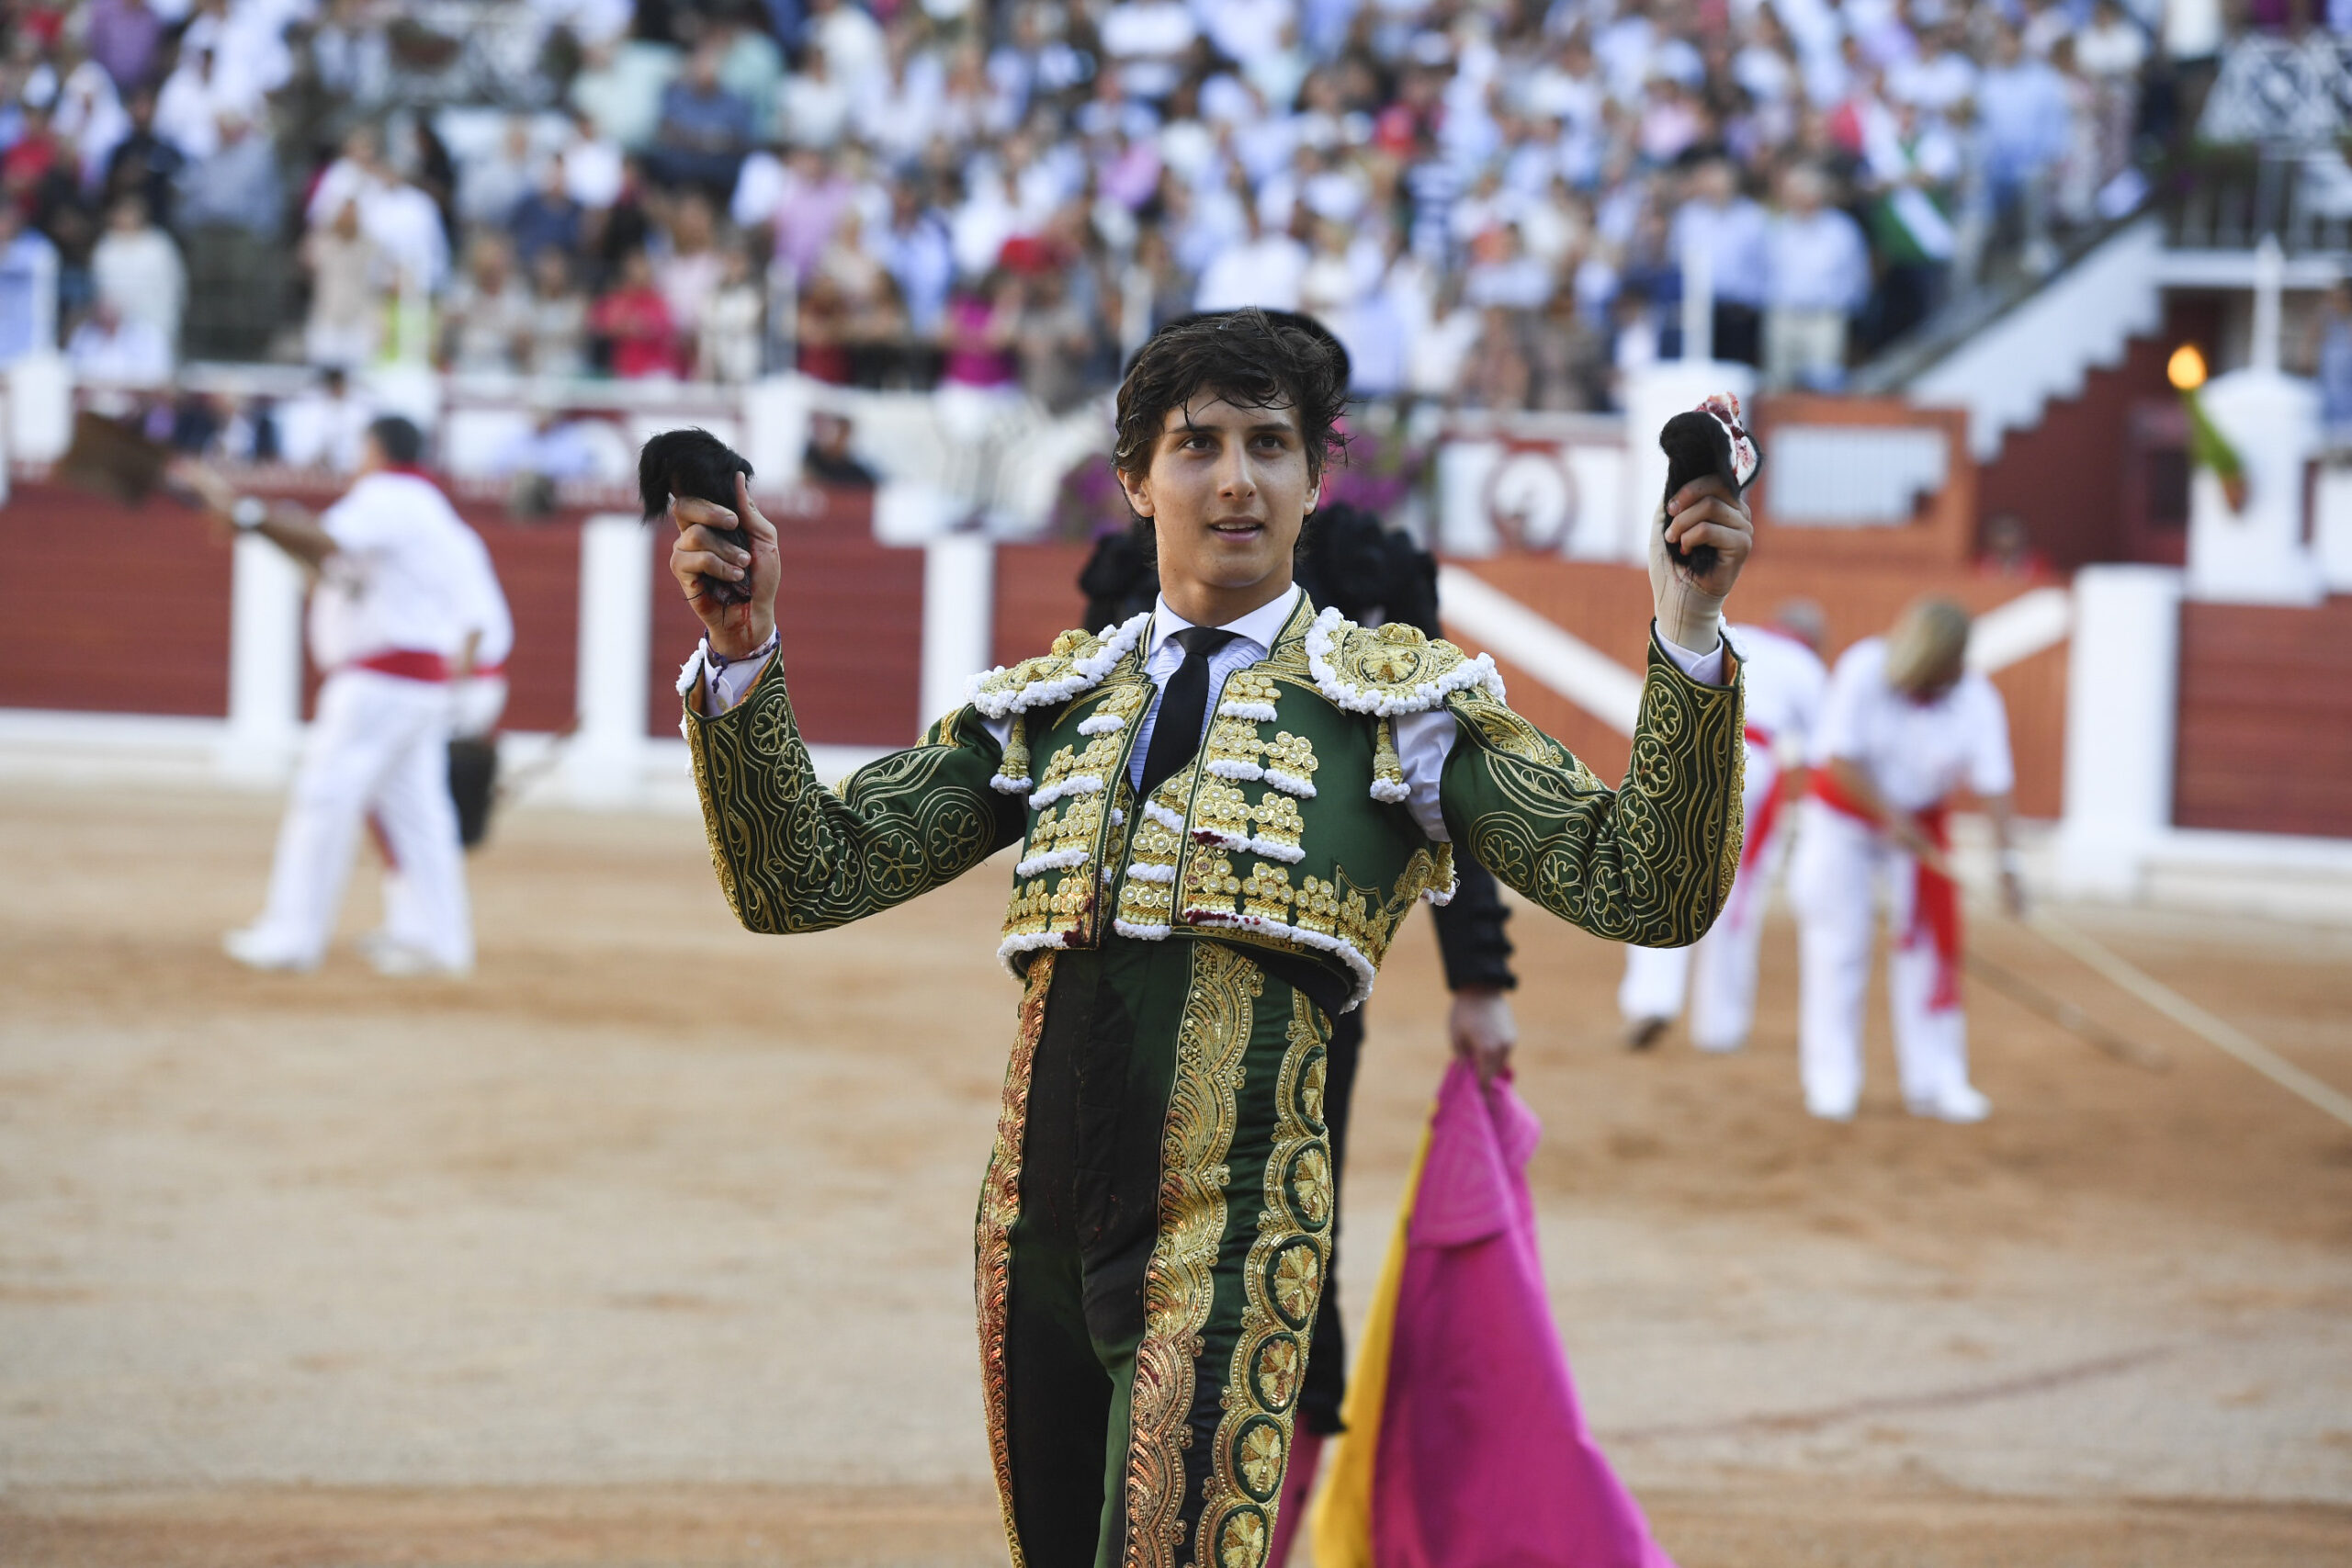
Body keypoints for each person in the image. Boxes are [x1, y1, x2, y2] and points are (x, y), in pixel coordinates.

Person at [664, 309, 1753, 1562]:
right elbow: (800, 876)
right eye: (1197, 444)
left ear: (1314, 478)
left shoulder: (1400, 709)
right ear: (1137, 477)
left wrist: (1688, 634)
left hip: (1233, 1237)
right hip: (1031, 1234)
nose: (1235, 476)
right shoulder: (1056, 703)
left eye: (1269, 443)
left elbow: (1646, 888)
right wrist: (741, 657)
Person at [175, 417, 486, 977]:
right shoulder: (427, 509)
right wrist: (251, 520)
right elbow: (326, 561)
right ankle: (443, 944)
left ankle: (293, 936)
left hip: (380, 684)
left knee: (325, 800)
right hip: (418, 684)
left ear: (375, 450)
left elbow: (325, 542)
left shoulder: (388, 496)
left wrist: (247, 515)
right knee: (421, 818)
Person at [1788, 598, 2023, 1124]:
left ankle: (1936, 1082)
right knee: (1839, 945)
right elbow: (1839, 762)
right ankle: (1832, 1081)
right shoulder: (1863, 669)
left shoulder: (1976, 698)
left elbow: (1994, 784)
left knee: (1927, 950)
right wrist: (1891, 819)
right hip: (1844, 820)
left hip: (1918, 830)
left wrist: (2010, 865)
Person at [1620, 601, 1829, 1053]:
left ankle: (1651, 998)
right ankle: (1720, 1025)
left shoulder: (1737, 632)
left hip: (1686, 754)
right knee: (1733, 892)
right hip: (1750, 763)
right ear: (1812, 640)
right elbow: (1822, 755)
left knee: (1663, 875)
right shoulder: (1807, 666)